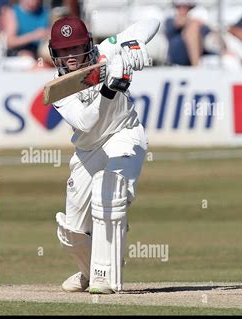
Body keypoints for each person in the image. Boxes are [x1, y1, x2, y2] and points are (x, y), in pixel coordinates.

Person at [49, 16, 159, 294]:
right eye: (63, 51)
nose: (70, 56)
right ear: (54, 53)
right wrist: (110, 88)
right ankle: (89, 272)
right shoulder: (60, 89)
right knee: (70, 234)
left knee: (110, 193)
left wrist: (132, 45)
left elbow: (152, 22)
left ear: (88, 44)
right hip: (88, 150)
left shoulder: (106, 51)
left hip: (124, 134)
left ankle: (105, 274)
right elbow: (88, 123)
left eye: (75, 48)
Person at [165, 0, 215, 66]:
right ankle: (196, 66)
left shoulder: (199, 24)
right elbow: (178, 23)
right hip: (177, 56)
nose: (182, 9)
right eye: (179, 6)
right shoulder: (170, 20)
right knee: (193, 27)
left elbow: (209, 32)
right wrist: (194, 22)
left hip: (199, 54)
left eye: (185, 6)